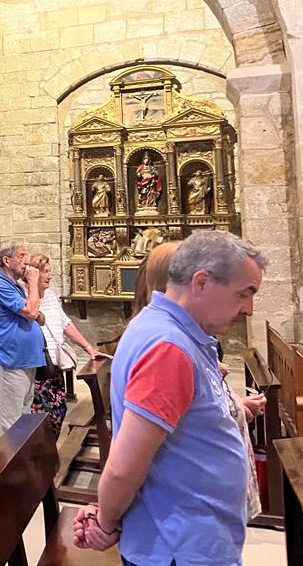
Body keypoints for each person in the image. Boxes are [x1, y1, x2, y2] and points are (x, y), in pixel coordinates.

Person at [73, 231, 267, 564]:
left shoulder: (171, 329)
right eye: (243, 294)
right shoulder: (170, 348)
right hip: (180, 545)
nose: (248, 309)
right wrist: (104, 522)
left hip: (188, 536)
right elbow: (123, 467)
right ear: (202, 282)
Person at [26, 254, 100, 435]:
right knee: (40, 415)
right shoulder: (25, 297)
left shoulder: (50, 296)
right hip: (38, 366)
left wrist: (88, 347)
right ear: (34, 273)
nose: (49, 276)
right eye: (45, 272)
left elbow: (65, 323)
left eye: (49, 271)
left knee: (59, 409)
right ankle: (40, 456)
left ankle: (48, 451)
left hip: (55, 365)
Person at [0, 239, 45, 442]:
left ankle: (18, 466)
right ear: (6, 260)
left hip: (25, 360)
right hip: (10, 361)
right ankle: (4, 470)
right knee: (9, 423)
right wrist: (34, 283)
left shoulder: (14, 285)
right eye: (21, 256)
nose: (27, 261)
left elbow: (36, 314)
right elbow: (30, 311)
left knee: (22, 419)